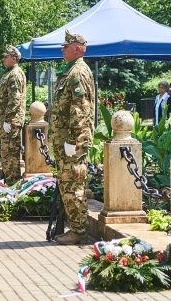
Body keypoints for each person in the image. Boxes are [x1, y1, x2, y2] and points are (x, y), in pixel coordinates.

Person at [49, 30, 95, 244]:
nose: (62, 49)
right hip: (64, 138)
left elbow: (80, 109)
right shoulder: (70, 71)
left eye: (65, 46)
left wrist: (73, 140)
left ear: (77, 48)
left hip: (72, 140)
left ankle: (78, 231)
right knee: (68, 184)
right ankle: (75, 228)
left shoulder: (77, 72)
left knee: (73, 184)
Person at [0, 45, 26, 185]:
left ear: (14, 58)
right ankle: (9, 185)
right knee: (5, 158)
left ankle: (13, 188)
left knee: (10, 158)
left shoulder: (15, 74)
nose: (3, 59)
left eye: (6, 57)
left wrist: (8, 119)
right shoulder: (9, 73)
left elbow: (15, 99)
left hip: (11, 123)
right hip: (6, 123)